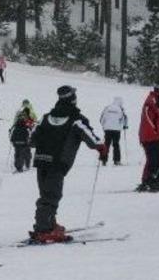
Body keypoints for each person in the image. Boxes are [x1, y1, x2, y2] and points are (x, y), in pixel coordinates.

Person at [29, 86, 106, 243]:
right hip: (58, 162)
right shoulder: (76, 120)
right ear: (73, 99)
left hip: (41, 160)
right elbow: (91, 139)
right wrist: (101, 148)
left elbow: (32, 140)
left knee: (46, 194)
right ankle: (45, 229)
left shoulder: (45, 117)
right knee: (52, 196)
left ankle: (48, 222)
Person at [99, 97, 128, 166]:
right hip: (117, 130)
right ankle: (117, 160)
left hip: (107, 129)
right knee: (116, 144)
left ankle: (104, 160)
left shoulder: (107, 107)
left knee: (106, 144)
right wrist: (124, 126)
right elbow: (124, 119)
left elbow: (102, 118)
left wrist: (104, 126)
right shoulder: (121, 109)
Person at [10, 108, 34, 173]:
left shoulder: (15, 126)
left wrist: (12, 140)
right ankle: (26, 165)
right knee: (25, 154)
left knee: (18, 155)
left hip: (16, 143)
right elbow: (30, 132)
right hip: (24, 142)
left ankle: (19, 167)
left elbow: (12, 133)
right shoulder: (26, 126)